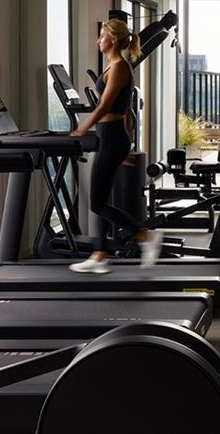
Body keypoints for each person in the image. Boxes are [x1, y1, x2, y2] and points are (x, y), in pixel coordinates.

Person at [70, 19, 161, 273]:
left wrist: (82, 129)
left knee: (97, 203)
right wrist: (125, 143)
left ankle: (143, 235)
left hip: (110, 137)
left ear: (112, 39)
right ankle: (99, 255)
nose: (98, 40)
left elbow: (105, 106)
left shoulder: (120, 67)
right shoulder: (114, 66)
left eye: (101, 36)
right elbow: (128, 111)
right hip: (111, 138)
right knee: (102, 199)